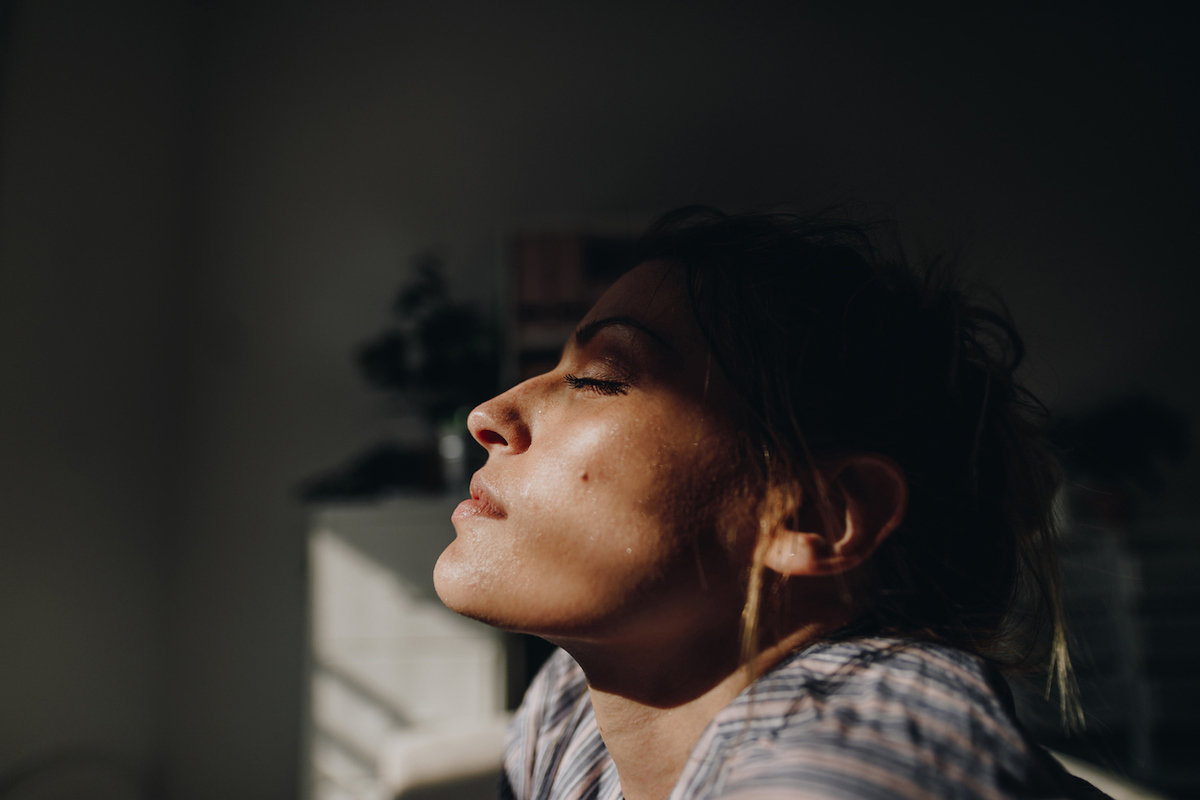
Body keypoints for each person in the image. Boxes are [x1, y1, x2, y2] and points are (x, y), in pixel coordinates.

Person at [434, 207, 1108, 800]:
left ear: (817, 515)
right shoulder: (571, 708)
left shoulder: (862, 754)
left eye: (598, 378)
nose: (486, 415)